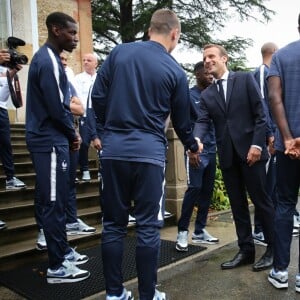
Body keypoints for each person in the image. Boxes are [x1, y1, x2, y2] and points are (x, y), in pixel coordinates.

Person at [91, 8, 202, 300]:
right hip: (149, 156)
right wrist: (192, 145)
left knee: (113, 225)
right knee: (148, 228)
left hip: (113, 152)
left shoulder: (119, 53)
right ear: (174, 34)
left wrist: (108, 129)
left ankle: (114, 294)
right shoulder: (176, 71)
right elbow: (181, 122)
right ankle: (147, 294)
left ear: (151, 28)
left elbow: (98, 98)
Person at [194, 44, 275, 272]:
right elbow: (202, 122)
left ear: (224, 58)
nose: (207, 61)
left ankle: (273, 249)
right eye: (204, 58)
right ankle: (246, 251)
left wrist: (258, 144)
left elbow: (261, 114)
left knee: (262, 202)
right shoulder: (208, 94)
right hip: (228, 157)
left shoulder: (245, 79)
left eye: (211, 56)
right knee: (238, 206)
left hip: (252, 154)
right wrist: (197, 140)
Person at [26, 11, 90, 284]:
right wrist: (71, 133)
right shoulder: (47, 60)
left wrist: (68, 134)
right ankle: (56, 267)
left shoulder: (53, 60)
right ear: (55, 30)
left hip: (56, 140)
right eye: (71, 33)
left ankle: (63, 250)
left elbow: (66, 102)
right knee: (53, 203)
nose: (76, 38)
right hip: (48, 140)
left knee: (60, 199)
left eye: (76, 33)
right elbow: (56, 107)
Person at [35, 51, 96, 251]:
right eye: (59, 60)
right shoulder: (45, 79)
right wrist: (67, 105)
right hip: (50, 139)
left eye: (65, 60)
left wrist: (64, 106)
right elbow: (55, 107)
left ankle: (70, 221)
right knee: (47, 187)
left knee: (68, 184)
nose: (63, 63)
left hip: (69, 138)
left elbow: (80, 109)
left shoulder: (67, 84)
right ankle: (44, 229)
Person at [267, 13, 300, 292]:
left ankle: (279, 271)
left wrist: (288, 138)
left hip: (286, 148)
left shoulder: (281, 57)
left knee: (284, 205)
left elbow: (273, 97)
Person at [176, 61, 218, 252]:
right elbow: (183, 123)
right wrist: (190, 147)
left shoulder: (213, 93)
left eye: (211, 73)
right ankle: (182, 231)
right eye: (206, 73)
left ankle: (200, 230)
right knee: (194, 188)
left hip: (212, 149)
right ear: (198, 74)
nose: (210, 75)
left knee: (207, 190)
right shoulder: (189, 95)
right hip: (196, 151)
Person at [252, 42, 278, 245]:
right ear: (274, 53)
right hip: (264, 138)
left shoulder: (269, 72)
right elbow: (261, 103)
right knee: (264, 187)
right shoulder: (263, 71)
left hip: (270, 135)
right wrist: (270, 135)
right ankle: (259, 229)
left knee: (270, 185)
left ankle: (264, 227)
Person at [74, 53, 101, 181]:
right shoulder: (78, 78)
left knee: (101, 143)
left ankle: (102, 170)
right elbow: (76, 97)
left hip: (99, 116)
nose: (85, 62)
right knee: (84, 143)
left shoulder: (100, 78)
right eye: (84, 60)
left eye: (89, 60)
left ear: (96, 63)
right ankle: (84, 169)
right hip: (84, 115)